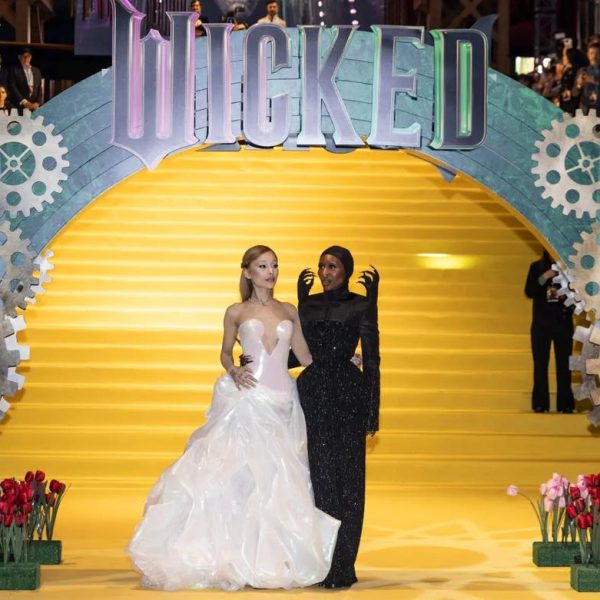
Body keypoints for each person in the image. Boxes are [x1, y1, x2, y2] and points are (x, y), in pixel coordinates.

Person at [128, 245, 340, 591]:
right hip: (249, 401)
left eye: (274, 265)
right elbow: (226, 353)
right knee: (243, 476)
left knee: (279, 479)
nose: (270, 272)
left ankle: (270, 557)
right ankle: (233, 554)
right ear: (248, 272)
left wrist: (342, 362)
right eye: (263, 266)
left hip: (283, 402)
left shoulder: (289, 310)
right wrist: (233, 370)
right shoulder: (236, 312)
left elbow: (304, 356)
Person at [294, 246, 380, 588]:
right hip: (314, 393)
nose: (325, 272)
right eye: (322, 266)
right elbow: (297, 354)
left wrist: (372, 408)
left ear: (346, 270)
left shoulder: (361, 304)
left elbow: (372, 359)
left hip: (348, 395)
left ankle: (344, 563)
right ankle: (324, 561)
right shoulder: (309, 304)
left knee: (350, 481)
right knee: (321, 478)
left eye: (332, 266)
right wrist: (257, 356)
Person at [525, 249, 575, 414]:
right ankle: (540, 403)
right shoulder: (536, 267)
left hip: (563, 323)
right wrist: (544, 277)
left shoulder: (570, 269)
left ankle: (565, 404)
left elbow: (578, 296)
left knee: (564, 365)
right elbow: (529, 291)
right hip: (541, 324)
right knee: (540, 364)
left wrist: (565, 295)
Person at [8, 48, 42, 112]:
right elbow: (13, 87)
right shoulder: (14, 70)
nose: (26, 59)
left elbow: (39, 88)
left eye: (28, 56)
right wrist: (24, 101)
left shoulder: (37, 71)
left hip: (34, 107)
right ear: (19, 57)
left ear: (31, 57)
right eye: (24, 56)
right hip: (20, 106)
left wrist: (37, 102)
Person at [573, 43, 600, 114]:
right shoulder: (582, 71)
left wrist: (595, 80)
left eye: (597, 53)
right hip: (586, 111)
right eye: (591, 53)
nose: (594, 56)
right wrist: (579, 85)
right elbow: (574, 93)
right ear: (588, 55)